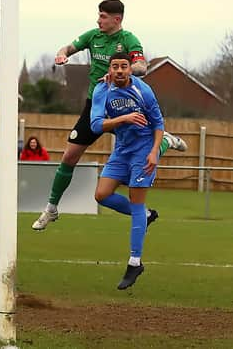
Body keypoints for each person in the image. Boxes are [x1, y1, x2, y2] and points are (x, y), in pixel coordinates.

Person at [32, 0, 186, 230]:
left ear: (117, 19)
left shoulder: (128, 40)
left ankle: (164, 141)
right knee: (69, 156)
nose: (98, 20)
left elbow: (142, 67)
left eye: (103, 16)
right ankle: (51, 208)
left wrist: (121, 72)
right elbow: (69, 47)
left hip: (124, 105)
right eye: (99, 15)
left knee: (146, 147)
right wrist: (63, 54)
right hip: (96, 105)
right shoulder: (93, 36)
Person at [90, 52, 164, 289]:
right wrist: (124, 119)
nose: (120, 70)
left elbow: (158, 124)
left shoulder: (144, 90)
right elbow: (95, 125)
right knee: (101, 195)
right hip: (122, 149)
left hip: (143, 149)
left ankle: (134, 262)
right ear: (110, 70)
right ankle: (145, 216)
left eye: (124, 66)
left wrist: (153, 152)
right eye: (115, 67)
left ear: (131, 69)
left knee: (136, 199)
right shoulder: (102, 90)